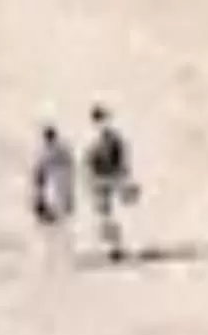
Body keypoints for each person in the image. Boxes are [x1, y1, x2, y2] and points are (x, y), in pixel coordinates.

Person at [85, 106, 139, 260]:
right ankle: (113, 247)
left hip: (109, 178)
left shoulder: (110, 138)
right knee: (106, 215)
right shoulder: (100, 138)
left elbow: (121, 159)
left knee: (109, 215)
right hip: (104, 179)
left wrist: (124, 177)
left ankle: (116, 247)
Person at [29, 124, 77, 258]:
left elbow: (39, 173)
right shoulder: (52, 151)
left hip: (56, 187)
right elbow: (39, 173)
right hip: (54, 188)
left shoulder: (49, 152)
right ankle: (57, 249)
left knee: (58, 221)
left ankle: (58, 249)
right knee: (57, 221)